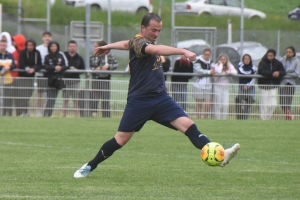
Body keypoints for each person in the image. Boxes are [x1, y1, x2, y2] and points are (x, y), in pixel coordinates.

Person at [74, 13, 240, 178]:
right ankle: (90, 166)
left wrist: (109, 46)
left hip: (161, 99)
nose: (156, 34)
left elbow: (127, 43)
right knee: (120, 140)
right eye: (153, 30)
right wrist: (183, 51)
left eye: (159, 30)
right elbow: (156, 49)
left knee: (189, 126)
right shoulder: (141, 42)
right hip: (140, 102)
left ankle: (220, 154)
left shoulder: (137, 41)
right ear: (143, 28)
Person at [89, 40, 118, 118]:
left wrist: (108, 67)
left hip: (105, 79)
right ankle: (92, 115)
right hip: (95, 79)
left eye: (96, 46)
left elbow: (115, 64)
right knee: (94, 98)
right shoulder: (93, 56)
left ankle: (106, 116)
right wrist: (95, 69)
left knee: (105, 99)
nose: (95, 48)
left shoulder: (108, 56)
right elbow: (90, 67)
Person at [257, 49, 286, 120]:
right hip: (264, 86)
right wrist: (271, 74)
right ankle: (263, 119)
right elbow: (260, 71)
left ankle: (268, 118)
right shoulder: (262, 62)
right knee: (264, 104)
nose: (270, 57)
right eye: (269, 55)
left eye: (272, 56)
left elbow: (283, 71)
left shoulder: (278, 63)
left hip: (273, 86)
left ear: (274, 56)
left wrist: (279, 73)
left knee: (273, 104)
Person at [17, 39, 42, 116]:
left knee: (29, 94)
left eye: (31, 45)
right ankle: (23, 112)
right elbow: (21, 63)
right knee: (22, 94)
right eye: (28, 45)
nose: (30, 47)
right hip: (22, 76)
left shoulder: (37, 53)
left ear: (34, 46)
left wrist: (34, 69)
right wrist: (27, 69)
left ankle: (25, 111)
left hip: (31, 77)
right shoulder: (23, 52)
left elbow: (39, 64)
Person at [43, 41, 68, 117]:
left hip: (58, 80)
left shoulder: (61, 56)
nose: (53, 48)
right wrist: (54, 67)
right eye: (52, 46)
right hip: (50, 80)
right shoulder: (47, 57)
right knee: (49, 98)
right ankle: (45, 114)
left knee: (53, 99)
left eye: (55, 46)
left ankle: (49, 114)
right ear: (49, 47)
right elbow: (45, 66)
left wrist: (61, 68)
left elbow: (66, 66)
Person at [62, 40, 85, 117]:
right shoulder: (63, 56)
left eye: (73, 46)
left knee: (76, 100)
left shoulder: (79, 58)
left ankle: (76, 116)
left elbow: (83, 69)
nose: (72, 48)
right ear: (68, 47)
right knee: (65, 100)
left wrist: (77, 70)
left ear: (76, 47)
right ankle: (63, 115)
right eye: (71, 46)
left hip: (75, 82)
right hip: (65, 81)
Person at [213, 53, 237, 120]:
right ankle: (218, 119)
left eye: (224, 59)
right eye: (221, 59)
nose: (223, 60)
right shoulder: (216, 66)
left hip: (225, 88)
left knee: (225, 105)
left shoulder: (229, 65)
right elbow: (219, 71)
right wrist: (220, 64)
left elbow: (235, 71)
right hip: (218, 87)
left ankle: (224, 119)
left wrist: (230, 72)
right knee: (218, 104)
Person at [192, 48, 214, 119]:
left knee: (208, 104)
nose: (207, 56)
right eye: (205, 54)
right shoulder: (198, 61)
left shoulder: (211, 62)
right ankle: (199, 118)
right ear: (203, 54)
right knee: (199, 104)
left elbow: (214, 69)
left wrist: (212, 71)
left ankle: (205, 118)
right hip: (199, 86)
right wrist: (208, 72)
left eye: (208, 55)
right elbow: (199, 71)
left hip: (208, 86)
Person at [279, 46, 300, 120]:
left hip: (291, 83)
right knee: (282, 101)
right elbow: (280, 71)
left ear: (293, 53)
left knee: (288, 101)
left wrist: (286, 74)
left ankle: (288, 117)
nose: (288, 53)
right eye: (287, 52)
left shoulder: (296, 61)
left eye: (290, 52)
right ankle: (289, 115)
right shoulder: (282, 60)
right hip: (282, 83)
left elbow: (297, 73)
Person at [36, 31, 53, 117]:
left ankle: (47, 112)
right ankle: (38, 112)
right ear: (43, 38)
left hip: (50, 75)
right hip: (41, 75)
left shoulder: (53, 48)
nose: (47, 38)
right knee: (40, 94)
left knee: (49, 95)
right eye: (45, 36)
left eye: (49, 36)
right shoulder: (38, 48)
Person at [235, 54, 257, 120]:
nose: (247, 60)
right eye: (245, 59)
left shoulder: (254, 67)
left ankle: (246, 119)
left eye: (248, 59)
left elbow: (254, 78)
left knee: (248, 105)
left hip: (250, 88)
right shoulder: (240, 66)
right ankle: (240, 119)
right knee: (240, 104)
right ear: (243, 60)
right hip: (241, 88)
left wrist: (248, 85)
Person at [0, 39, 16, 116]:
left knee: (8, 98)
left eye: (4, 45)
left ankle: (8, 114)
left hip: (8, 80)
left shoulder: (10, 55)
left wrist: (9, 67)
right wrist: (3, 67)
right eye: (1, 45)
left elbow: (14, 65)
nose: (3, 47)